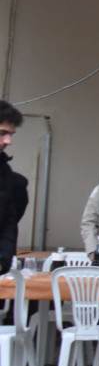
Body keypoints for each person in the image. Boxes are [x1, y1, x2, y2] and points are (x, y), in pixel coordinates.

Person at [0, 100, 27, 276]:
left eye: (11, 134)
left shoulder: (6, 174)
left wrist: (2, 261)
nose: (8, 141)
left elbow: (9, 222)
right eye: (2, 133)